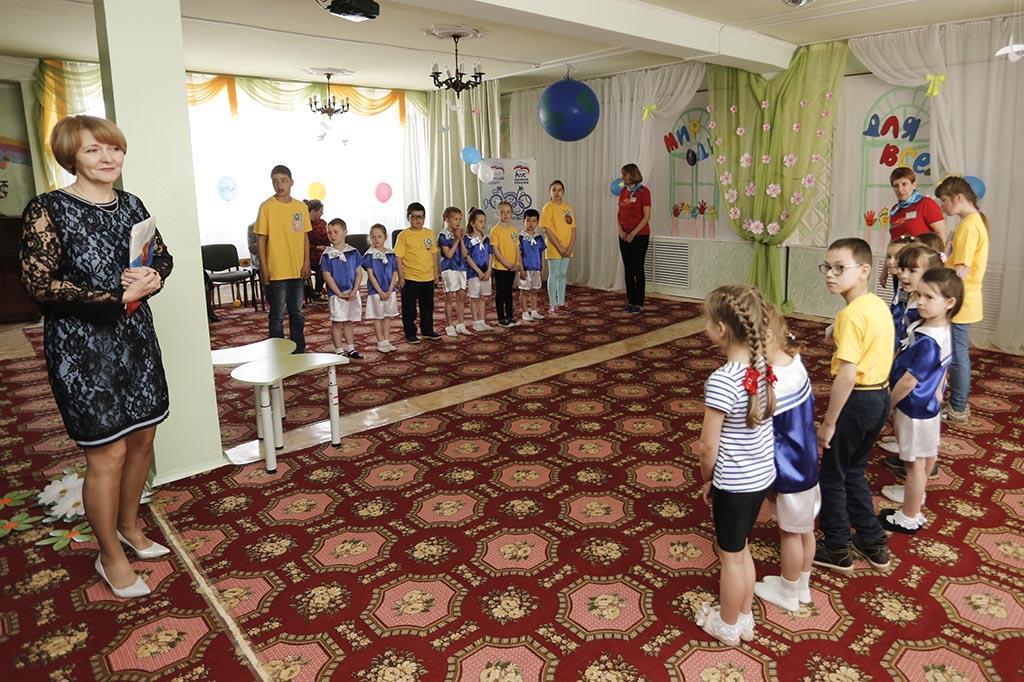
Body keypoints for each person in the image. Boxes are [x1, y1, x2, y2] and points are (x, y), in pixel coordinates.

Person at [20, 115, 173, 599]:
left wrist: (154, 277)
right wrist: (114, 296)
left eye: (114, 149)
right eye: (93, 150)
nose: (108, 158)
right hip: (82, 349)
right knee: (108, 452)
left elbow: (160, 257)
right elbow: (39, 285)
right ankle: (109, 555)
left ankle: (129, 526)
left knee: (143, 439)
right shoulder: (47, 209)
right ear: (72, 156)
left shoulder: (132, 204)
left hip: (135, 339)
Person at [692, 285, 776, 646]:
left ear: (722, 329)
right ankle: (743, 616)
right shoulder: (762, 367)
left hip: (734, 483)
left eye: (708, 321)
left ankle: (726, 626)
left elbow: (707, 446)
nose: (705, 327)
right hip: (760, 477)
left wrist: (706, 478)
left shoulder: (723, 380)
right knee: (741, 549)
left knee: (729, 557)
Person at [813, 238, 894, 574]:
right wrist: (836, 328)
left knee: (832, 476)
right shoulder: (876, 305)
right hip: (880, 397)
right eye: (827, 267)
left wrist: (829, 423)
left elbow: (846, 375)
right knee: (854, 470)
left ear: (864, 270)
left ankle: (836, 547)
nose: (830, 274)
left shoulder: (850, 315)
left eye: (839, 268)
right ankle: (873, 541)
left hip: (857, 400)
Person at [879, 269, 962, 534]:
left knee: (914, 464)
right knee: (925, 456)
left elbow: (908, 382)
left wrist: (888, 404)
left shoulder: (929, 341)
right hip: (927, 406)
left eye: (929, 297)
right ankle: (916, 498)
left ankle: (909, 515)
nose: (921, 302)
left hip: (914, 408)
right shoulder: (940, 329)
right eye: (919, 295)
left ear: (949, 302)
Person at [754, 307, 819, 613]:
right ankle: (802, 585)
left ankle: (788, 591)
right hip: (808, 464)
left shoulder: (774, 383)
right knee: (806, 529)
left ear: (766, 337)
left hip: (789, 472)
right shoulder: (796, 364)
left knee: (790, 533)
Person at [935, 176, 989, 424]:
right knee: (958, 354)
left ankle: (958, 407)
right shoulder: (973, 221)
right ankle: (957, 403)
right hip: (964, 298)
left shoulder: (968, 225)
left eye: (944, 200)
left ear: (958, 198)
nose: (942, 206)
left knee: (957, 356)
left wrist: (940, 292)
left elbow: (960, 271)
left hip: (960, 299)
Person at [255, 165, 311, 353]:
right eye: (275, 181)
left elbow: (305, 237)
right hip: (276, 270)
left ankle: (298, 351)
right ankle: (279, 353)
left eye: (283, 181)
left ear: (291, 182)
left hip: (297, 269)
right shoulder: (266, 207)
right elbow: (261, 240)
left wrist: (306, 262)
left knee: (297, 313)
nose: (279, 185)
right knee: (277, 315)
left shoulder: (301, 207)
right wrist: (264, 268)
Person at [394, 202, 440, 343]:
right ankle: (410, 333)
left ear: (424, 218)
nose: (417, 220)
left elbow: (433, 254)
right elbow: (398, 257)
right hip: (410, 277)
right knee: (409, 308)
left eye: (420, 217)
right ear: (408, 218)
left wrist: (435, 273)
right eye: (414, 217)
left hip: (427, 277)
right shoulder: (403, 236)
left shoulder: (429, 233)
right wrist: (401, 277)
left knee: (427, 306)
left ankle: (427, 330)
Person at [321, 218, 363, 359]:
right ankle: (339, 350)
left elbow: (359, 272)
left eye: (335, 232)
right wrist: (338, 293)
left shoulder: (353, 252)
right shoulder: (327, 255)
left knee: (348, 320)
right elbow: (327, 276)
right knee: (337, 321)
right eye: (329, 233)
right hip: (336, 294)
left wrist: (355, 289)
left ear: (345, 232)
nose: (332, 235)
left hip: (351, 292)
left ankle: (351, 348)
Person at [617, 163, 651, 313]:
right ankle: (631, 300)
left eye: (625, 174)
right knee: (628, 269)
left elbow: (646, 216)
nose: (623, 177)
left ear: (633, 174)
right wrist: (620, 231)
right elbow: (619, 214)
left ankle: (639, 302)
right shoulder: (623, 191)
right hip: (624, 236)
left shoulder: (644, 192)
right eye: (623, 175)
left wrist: (633, 234)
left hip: (640, 236)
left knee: (638, 268)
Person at [362, 223, 400, 354]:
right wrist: (380, 292)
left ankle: (386, 341)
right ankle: (380, 342)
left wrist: (390, 290)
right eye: (373, 237)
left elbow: (394, 273)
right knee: (378, 317)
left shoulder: (391, 254)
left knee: (387, 316)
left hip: (389, 290)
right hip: (376, 291)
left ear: (385, 237)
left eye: (379, 236)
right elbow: (371, 275)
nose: (376, 239)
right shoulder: (369, 255)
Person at [540, 180, 575, 314]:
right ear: (550, 192)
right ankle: (552, 305)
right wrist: (560, 247)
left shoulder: (568, 208)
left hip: (567, 248)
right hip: (554, 247)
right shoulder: (548, 207)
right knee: (554, 274)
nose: (557, 193)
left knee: (563, 274)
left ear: (563, 192)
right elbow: (546, 229)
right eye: (554, 190)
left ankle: (561, 302)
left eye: (559, 190)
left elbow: (573, 229)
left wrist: (570, 247)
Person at [887, 167, 946, 243]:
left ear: (914, 185)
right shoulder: (895, 210)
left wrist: (939, 251)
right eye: (896, 186)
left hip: (923, 250)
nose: (900, 189)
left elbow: (941, 233)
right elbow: (893, 238)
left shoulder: (925, 203)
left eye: (904, 184)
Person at [438, 206, 472, 337]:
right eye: (455, 219)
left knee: (461, 296)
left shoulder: (461, 234)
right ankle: (449, 325)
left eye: (459, 219)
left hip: (461, 267)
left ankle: (461, 324)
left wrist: (461, 239)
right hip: (449, 268)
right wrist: (456, 240)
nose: (458, 222)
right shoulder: (443, 235)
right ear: (446, 219)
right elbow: (449, 254)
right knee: (449, 297)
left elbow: (464, 253)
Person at [490, 201, 521, 328]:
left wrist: (517, 262)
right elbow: (495, 250)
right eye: (502, 212)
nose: (505, 215)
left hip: (512, 266)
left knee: (509, 292)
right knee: (501, 292)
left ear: (511, 213)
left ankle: (510, 316)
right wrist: (506, 264)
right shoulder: (495, 230)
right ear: (497, 213)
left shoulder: (514, 230)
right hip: (500, 267)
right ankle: (501, 318)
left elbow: (517, 247)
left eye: (508, 212)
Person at [465, 208, 494, 332]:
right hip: (474, 273)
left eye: (484, 221)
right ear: (472, 223)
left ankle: (482, 321)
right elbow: (467, 257)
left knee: (482, 297)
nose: (483, 224)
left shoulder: (486, 238)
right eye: (480, 221)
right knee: (474, 298)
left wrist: (489, 270)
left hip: (485, 272)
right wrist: (478, 271)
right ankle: (475, 322)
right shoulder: (467, 239)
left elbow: (490, 254)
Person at [518, 208, 547, 322]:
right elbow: (518, 254)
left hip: (536, 268)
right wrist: (521, 268)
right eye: (528, 220)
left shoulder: (539, 237)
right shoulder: (520, 237)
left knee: (535, 290)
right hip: (526, 268)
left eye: (534, 221)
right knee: (524, 291)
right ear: (524, 221)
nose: (531, 223)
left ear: (537, 223)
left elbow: (542, 252)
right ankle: (525, 312)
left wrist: (543, 266)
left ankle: (534, 311)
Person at [305, 198, 329, 300]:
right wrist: (317, 247)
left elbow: (329, 238)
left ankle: (323, 291)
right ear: (313, 211)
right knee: (323, 264)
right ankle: (317, 292)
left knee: (334, 260)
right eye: (320, 211)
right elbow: (302, 244)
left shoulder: (323, 223)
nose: (322, 214)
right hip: (309, 254)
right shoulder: (304, 224)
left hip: (324, 252)